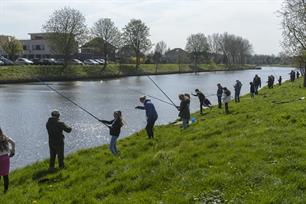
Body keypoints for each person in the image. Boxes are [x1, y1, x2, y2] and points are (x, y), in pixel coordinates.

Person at [0, 128, 15, 193]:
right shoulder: (4, 137)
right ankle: (6, 191)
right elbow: (13, 143)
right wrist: (12, 151)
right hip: (6, 158)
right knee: (5, 175)